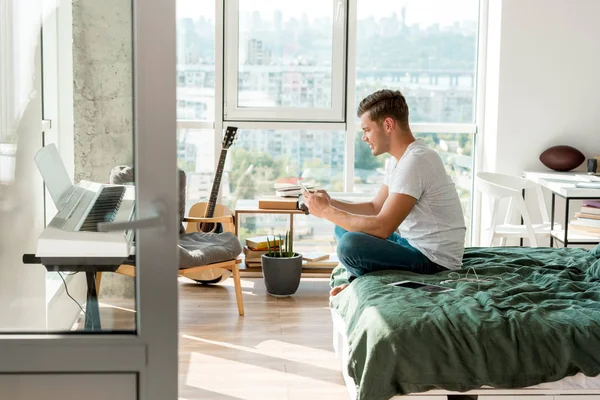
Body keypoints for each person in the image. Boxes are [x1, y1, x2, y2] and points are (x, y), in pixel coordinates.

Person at [302, 89, 466, 296]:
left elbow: (383, 227)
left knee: (350, 245)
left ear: (388, 125)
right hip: (410, 244)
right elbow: (375, 207)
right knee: (342, 228)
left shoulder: (417, 160)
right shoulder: (398, 161)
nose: (364, 138)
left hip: (433, 260)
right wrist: (332, 203)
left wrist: (325, 211)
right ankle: (362, 280)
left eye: (367, 130)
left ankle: (359, 282)